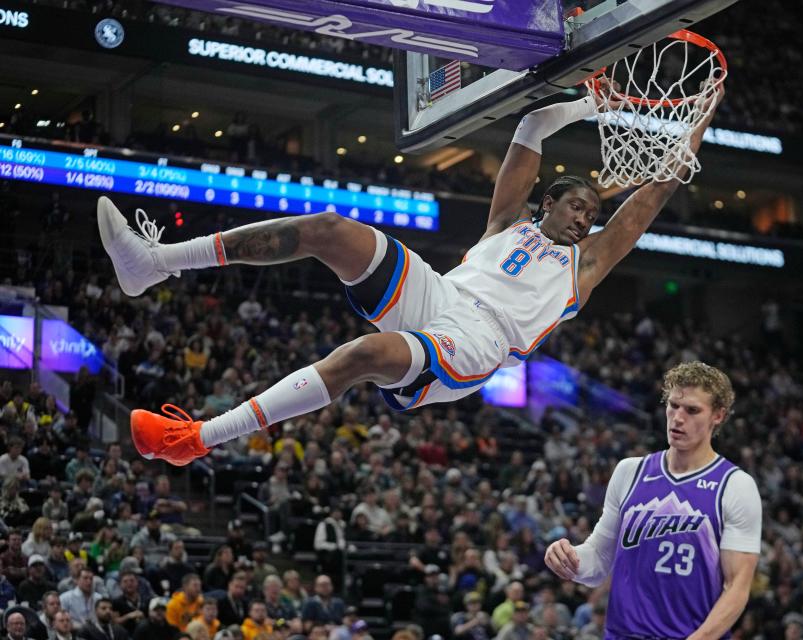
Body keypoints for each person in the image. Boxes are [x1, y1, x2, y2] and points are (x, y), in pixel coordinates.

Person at [97, 82, 724, 467]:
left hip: (480, 343)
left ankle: (198, 437)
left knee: (365, 352)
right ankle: (154, 262)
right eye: (577, 205)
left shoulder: (584, 263)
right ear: (547, 204)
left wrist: (696, 118)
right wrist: (590, 101)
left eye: (592, 212)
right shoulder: (507, 222)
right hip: (441, 292)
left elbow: (651, 198)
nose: (587, 217)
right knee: (327, 229)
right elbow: (532, 125)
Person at [544, 362, 762, 640]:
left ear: (718, 416)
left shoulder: (735, 486)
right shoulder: (629, 472)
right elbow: (598, 561)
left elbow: (737, 588)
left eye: (692, 410)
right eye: (673, 406)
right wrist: (568, 558)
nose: (678, 417)